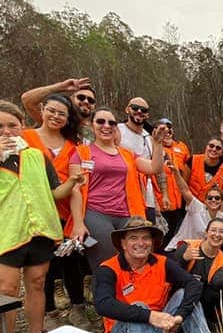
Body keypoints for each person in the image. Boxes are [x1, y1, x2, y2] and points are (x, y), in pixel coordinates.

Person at [0, 99, 82, 333]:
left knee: (37, 284)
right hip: (6, 231)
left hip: (39, 229)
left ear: (22, 126)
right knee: (7, 289)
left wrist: (72, 183)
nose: (6, 131)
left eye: (12, 125)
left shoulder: (37, 156)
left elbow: (53, 193)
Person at [19, 94, 93, 330]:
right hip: (33, 215)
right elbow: (26, 99)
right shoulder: (25, 138)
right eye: (52, 111)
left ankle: (78, 308)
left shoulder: (73, 147)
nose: (56, 117)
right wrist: (63, 86)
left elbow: (76, 188)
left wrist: (79, 222)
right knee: (42, 268)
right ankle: (48, 311)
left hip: (63, 213)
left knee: (71, 261)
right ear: (42, 110)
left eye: (62, 113)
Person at [66, 110, 167, 271]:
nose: (106, 126)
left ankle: (131, 296)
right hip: (96, 213)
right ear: (92, 126)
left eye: (111, 123)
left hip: (127, 214)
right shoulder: (81, 153)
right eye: (100, 121)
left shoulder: (128, 155)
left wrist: (157, 143)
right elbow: (75, 190)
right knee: (106, 264)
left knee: (134, 261)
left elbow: (154, 168)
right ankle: (104, 296)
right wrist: (78, 224)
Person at [169, 218, 223, 324]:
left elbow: (216, 283)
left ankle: (214, 323)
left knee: (215, 293)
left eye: (222, 232)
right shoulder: (189, 247)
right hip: (181, 292)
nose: (217, 234)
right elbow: (169, 273)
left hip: (202, 296)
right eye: (213, 230)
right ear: (206, 232)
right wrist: (184, 259)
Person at [117, 96, 166, 221]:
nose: (139, 111)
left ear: (147, 115)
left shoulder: (149, 137)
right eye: (135, 108)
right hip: (121, 195)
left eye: (143, 110)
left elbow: (156, 169)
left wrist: (161, 196)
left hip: (146, 197)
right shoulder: (117, 131)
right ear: (127, 109)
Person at [22, 77, 97, 142]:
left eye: (91, 100)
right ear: (71, 99)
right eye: (81, 97)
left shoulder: (97, 128)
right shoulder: (59, 121)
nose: (86, 102)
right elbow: (27, 100)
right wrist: (60, 87)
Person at [154, 117, 191, 240]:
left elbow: (188, 170)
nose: (167, 131)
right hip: (161, 201)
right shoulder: (153, 147)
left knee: (175, 234)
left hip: (179, 202)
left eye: (169, 128)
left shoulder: (182, 147)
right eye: (163, 128)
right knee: (161, 235)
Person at [186, 137, 223, 203]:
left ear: (222, 153)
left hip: (211, 207)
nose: (214, 149)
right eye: (211, 146)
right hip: (190, 204)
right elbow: (184, 184)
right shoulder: (193, 160)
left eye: (218, 148)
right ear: (206, 147)